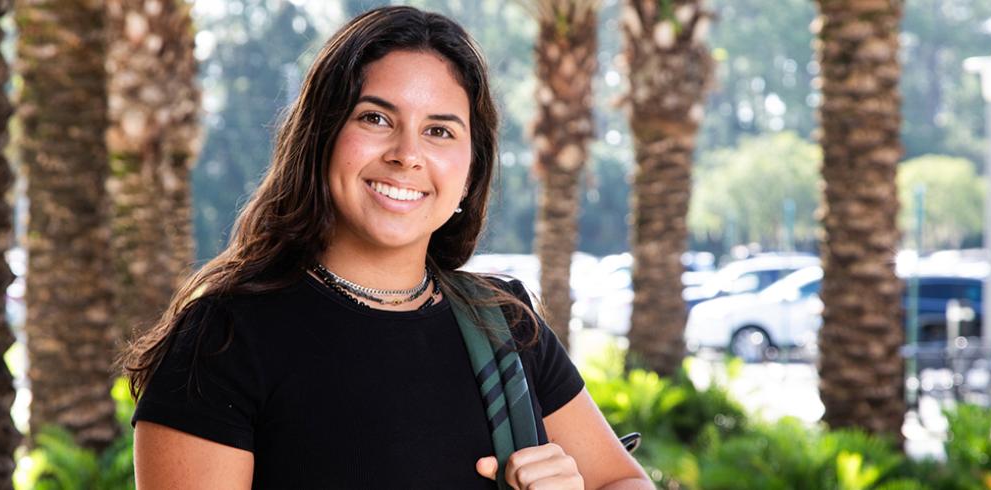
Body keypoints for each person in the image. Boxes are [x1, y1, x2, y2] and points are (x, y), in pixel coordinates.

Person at [123, 6, 650, 489]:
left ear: (471, 172)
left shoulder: (505, 324)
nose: (407, 155)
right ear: (321, 138)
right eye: (375, 118)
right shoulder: (224, 338)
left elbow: (622, 480)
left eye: (440, 131)